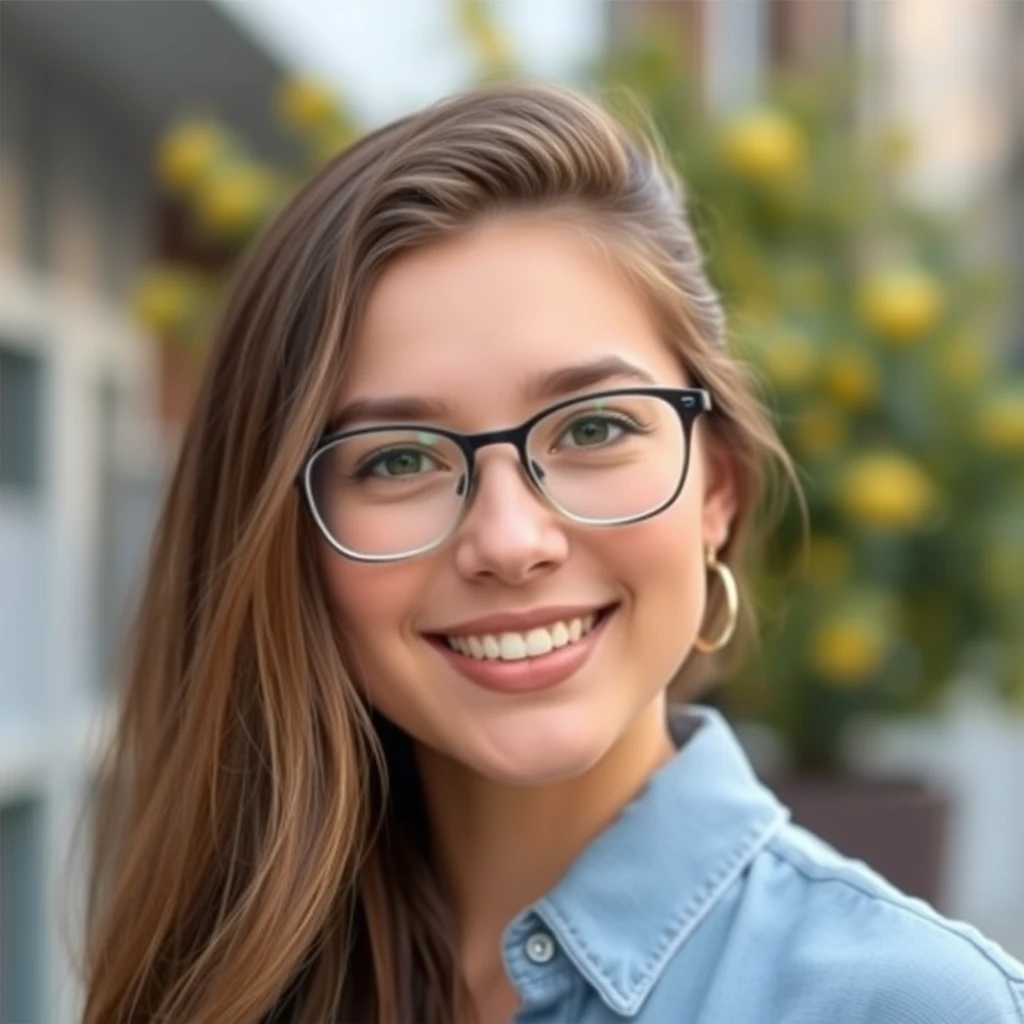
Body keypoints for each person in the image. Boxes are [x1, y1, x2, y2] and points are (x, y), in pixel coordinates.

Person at [82, 82, 1024, 1024]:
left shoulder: (914, 1004)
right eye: (399, 458)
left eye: (594, 428)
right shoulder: (216, 982)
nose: (509, 541)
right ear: (291, 538)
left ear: (718, 492)